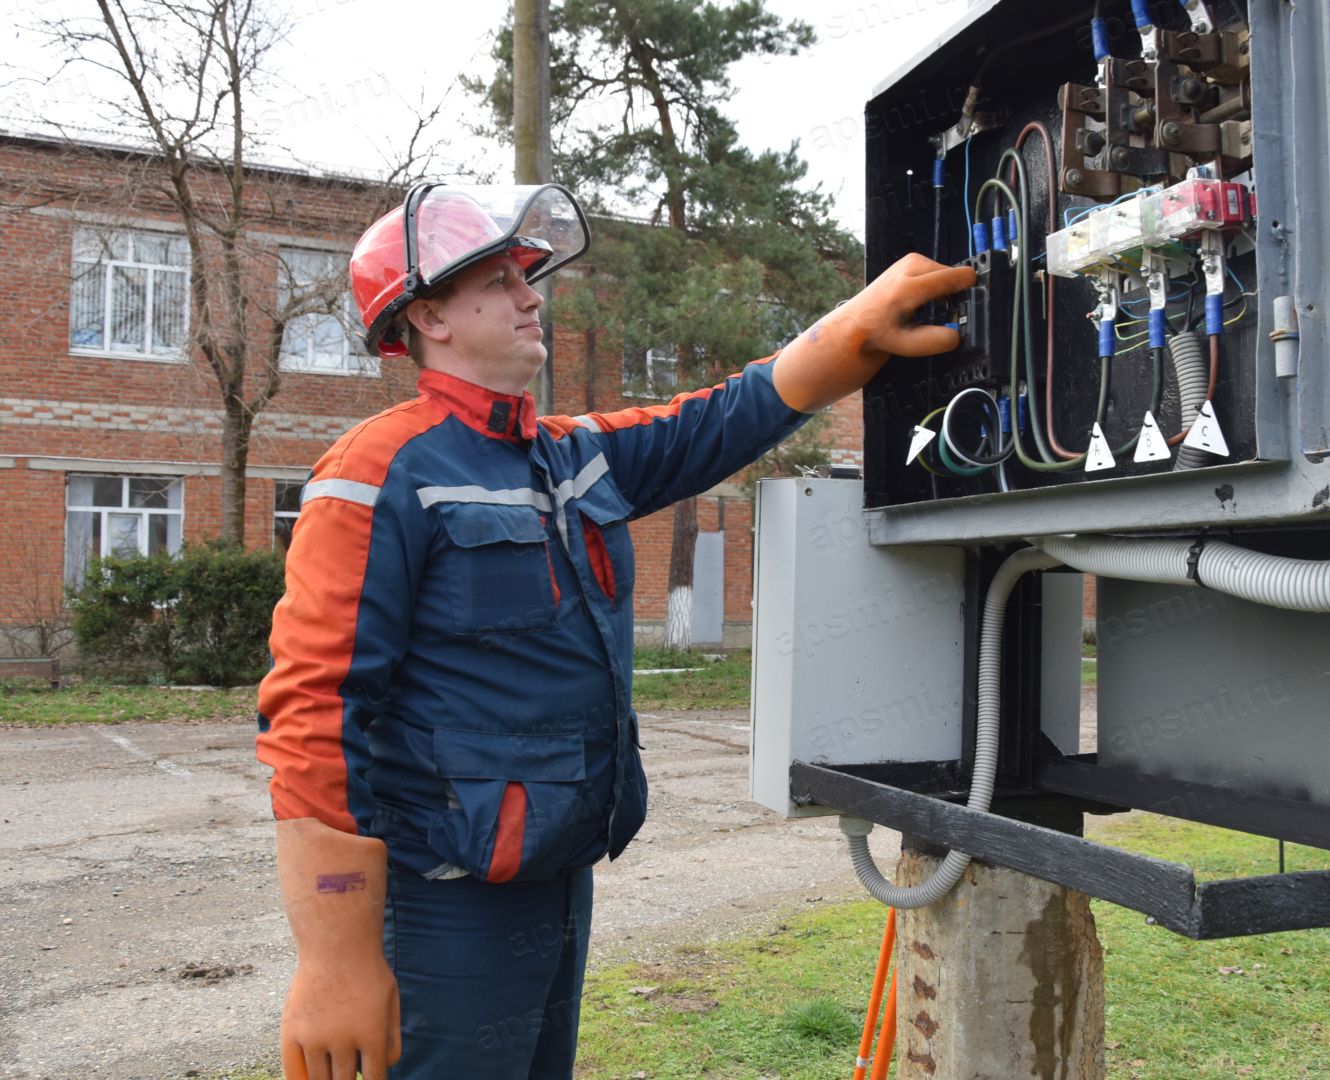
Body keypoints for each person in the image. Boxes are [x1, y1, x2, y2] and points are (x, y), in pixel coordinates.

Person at [255, 181, 974, 1080]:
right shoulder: (378, 471)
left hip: (551, 873)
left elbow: (724, 417)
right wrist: (336, 960)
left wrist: (853, 328)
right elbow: (315, 716)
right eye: (502, 282)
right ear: (429, 314)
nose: (532, 298)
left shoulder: (567, 454)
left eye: (529, 278)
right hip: (441, 898)